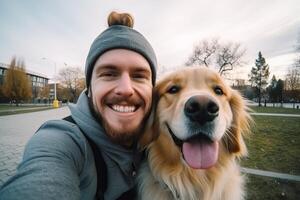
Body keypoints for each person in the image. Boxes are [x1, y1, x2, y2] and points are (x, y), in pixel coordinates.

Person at [0, 11, 157, 200]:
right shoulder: (63, 142)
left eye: (139, 76)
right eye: (109, 74)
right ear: (89, 88)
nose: (125, 89)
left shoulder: (164, 140)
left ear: (153, 89)